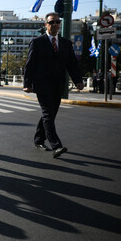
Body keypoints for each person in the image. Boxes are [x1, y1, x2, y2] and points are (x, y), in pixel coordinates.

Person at [23, 12, 83, 158]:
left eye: (57, 22)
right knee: (48, 114)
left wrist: (78, 81)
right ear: (46, 25)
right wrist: (27, 83)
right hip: (42, 84)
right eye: (51, 22)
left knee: (50, 114)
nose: (55, 25)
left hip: (58, 85)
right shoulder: (37, 42)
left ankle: (38, 139)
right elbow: (29, 65)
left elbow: (72, 65)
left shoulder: (66, 44)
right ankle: (56, 145)